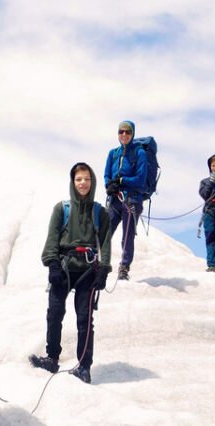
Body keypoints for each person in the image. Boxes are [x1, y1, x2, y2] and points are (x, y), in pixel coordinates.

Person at [29, 162, 112, 384]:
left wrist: (103, 269)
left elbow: (105, 243)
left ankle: (84, 366)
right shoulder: (62, 209)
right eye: (78, 179)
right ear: (72, 182)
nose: (82, 183)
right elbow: (52, 239)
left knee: (85, 319)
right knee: (55, 313)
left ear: (92, 182)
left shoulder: (100, 213)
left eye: (86, 179)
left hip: (87, 270)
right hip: (64, 268)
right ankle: (52, 357)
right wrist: (52, 264)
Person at [103, 120, 149, 280]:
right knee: (104, 232)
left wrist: (121, 181)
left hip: (132, 200)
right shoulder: (113, 153)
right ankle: (98, 263)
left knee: (127, 236)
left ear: (132, 134)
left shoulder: (140, 153)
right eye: (121, 131)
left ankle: (124, 267)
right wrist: (109, 185)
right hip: (115, 200)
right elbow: (107, 175)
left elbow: (141, 179)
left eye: (127, 132)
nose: (124, 134)